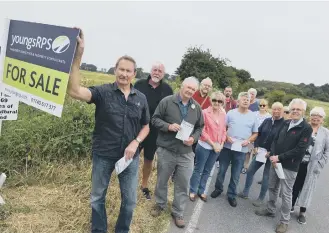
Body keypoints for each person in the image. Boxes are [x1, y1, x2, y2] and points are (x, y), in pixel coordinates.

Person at [67, 29, 150, 233]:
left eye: (128, 71)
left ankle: (122, 230)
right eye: (120, 69)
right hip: (103, 154)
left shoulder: (141, 98)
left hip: (130, 158)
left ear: (134, 74)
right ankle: (99, 230)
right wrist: (78, 55)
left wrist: (136, 142)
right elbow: (74, 91)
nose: (124, 73)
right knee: (97, 197)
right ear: (115, 70)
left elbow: (146, 125)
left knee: (130, 201)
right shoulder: (103, 92)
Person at [150, 77, 204, 228]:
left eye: (193, 89)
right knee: (162, 180)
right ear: (182, 86)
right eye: (188, 87)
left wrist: (193, 138)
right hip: (166, 149)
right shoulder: (167, 101)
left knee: (183, 183)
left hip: (186, 152)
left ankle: (178, 212)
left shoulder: (197, 107)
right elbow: (154, 119)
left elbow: (200, 127)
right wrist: (168, 126)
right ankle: (160, 205)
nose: (190, 91)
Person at [255, 98, 313, 233]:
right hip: (275, 161)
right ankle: (270, 210)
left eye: (298, 109)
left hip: (289, 166)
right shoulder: (286, 122)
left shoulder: (306, 128)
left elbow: (300, 149)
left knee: (286, 194)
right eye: (293, 109)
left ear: (303, 111)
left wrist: (279, 157)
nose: (295, 111)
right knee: (272, 187)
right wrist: (274, 155)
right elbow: (275, 140)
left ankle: (284, 221)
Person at [210, 92, 258, 207]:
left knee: (236, 174)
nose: (246, 101)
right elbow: (223, 128)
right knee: (221, 170)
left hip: (241, 150)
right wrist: (226, 137)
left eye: (248, 99)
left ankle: (231, 194)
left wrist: (249, 141)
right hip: (227, 148)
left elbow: (255, 133)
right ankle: (218, 188)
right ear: (238, 101)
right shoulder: (230, 113)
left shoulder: (253, 116)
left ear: (250, 102)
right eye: (243, 99)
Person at [134, 62, 173, 200]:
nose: (157, 73)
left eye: (160, 71)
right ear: (150, 71)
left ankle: (144, 186)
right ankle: (129, 184)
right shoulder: (139, 85)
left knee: (148, 159)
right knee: (131, 156)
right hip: (137, 128)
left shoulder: (167, 89)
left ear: (163, 74)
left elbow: (170, 110)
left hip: (155, 131)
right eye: (155, 70)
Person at [238, 102, 285, 206]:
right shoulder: (267, 120)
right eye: (274, 109)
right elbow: (258, 133)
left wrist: (271, 152)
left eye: (279, 109)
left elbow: (281, 141)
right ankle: (245, 192)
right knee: (250, 171)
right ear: (271, 110)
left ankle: (260, 198)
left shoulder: (284, 124)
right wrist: (255, 146)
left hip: (272, 155)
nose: (276, 111)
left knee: (266, 177)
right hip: (260, 152)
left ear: (282, 111)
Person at [291, 107, 329, 225]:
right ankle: (290, 206)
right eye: (314, 115)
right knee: (295, 185)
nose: (316, 117)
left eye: (319, 116)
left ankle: (302, 212)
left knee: (308, 188)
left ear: (322, 119)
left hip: (313, 165)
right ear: (310, 116)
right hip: (299, 162)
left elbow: (327, 151)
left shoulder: (325, 132)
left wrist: (320, 164)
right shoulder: (304, 127)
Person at [189, 91, 227, 202]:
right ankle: (193, 190)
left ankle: (201, 191)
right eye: (215, 100)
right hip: (204, 145)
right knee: (198, 169)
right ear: (211, 100)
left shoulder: (223, 114)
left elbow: (224, 130)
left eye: (220, 101)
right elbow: (202, 130)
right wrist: (213, 144)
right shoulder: (204, 112)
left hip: (217, 147)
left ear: (222, 103)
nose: (217, 103)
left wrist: (222, 144)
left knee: (208, 170)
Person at [241, 99, 271, 174]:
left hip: (261, 138)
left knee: (255, 153)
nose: (262, 107)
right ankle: (245, 167)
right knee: (248, 152)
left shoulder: (269, 116)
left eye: (264, 105)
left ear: (267, 106)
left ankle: (251, 169)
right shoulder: (254, 113)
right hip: (252, 135)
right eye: (260, 105)